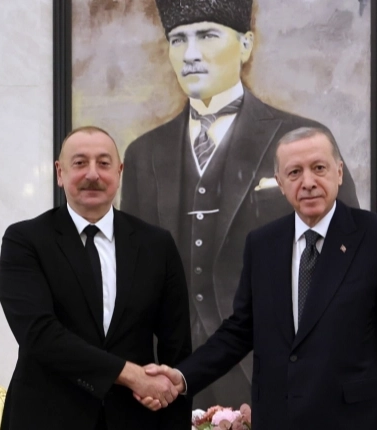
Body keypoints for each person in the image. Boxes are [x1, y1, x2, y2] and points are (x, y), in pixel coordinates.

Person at [121, 0, 360, 409]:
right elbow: (133, 273)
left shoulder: (304, 140)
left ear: (246, 45)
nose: (190, 54)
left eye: (207, 36)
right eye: (178, 40)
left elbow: (348, 260)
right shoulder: (144, 153)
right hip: (174, 372)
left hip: (273, 368)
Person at [142, 126, 377, 429]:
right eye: (294, 172)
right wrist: (183, 376)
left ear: (339, 172)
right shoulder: (263, 244)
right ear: (280, 183)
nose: (308, 182)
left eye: (319, 168)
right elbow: (240, 330)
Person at [0, 126, 192, 430]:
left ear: (119, 172)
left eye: (103, 163)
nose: (92, 174)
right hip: (46, 417)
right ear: (60, 173)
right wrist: (131, 375)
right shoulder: (25, 240)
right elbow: (38, 334)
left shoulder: (156, 244)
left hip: (136, 420)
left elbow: (176, 347)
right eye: (79, 163)